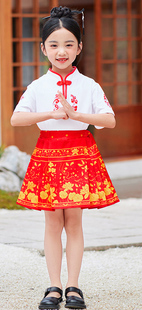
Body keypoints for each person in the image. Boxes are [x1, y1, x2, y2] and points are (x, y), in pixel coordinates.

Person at [11, 6, 119, 310]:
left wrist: (75, 115)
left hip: (79, 154)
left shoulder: (89, 85)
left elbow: (108, 120)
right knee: (51, 222)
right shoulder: (37, 86)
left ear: (79, 47)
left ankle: (73, 286)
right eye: (54, 45)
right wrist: (51, 114)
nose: (62, 51)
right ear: (43, 47)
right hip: (48, 154)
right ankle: (53, 286)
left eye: (69, 44)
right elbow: (16, 119)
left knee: (74, 221)